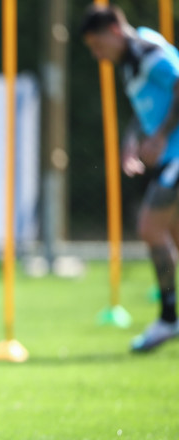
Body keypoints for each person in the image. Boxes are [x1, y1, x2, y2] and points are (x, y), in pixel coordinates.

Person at [82, 4, 179, 352]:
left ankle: (169, 318)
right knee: (172, 233)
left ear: (114, 31)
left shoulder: (150, 54)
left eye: (98, 46)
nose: (98, 55)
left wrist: (161, 136)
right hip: (169, 156)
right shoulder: (132, 61)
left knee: (149, 227)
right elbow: (148, 108)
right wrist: (132, 140)